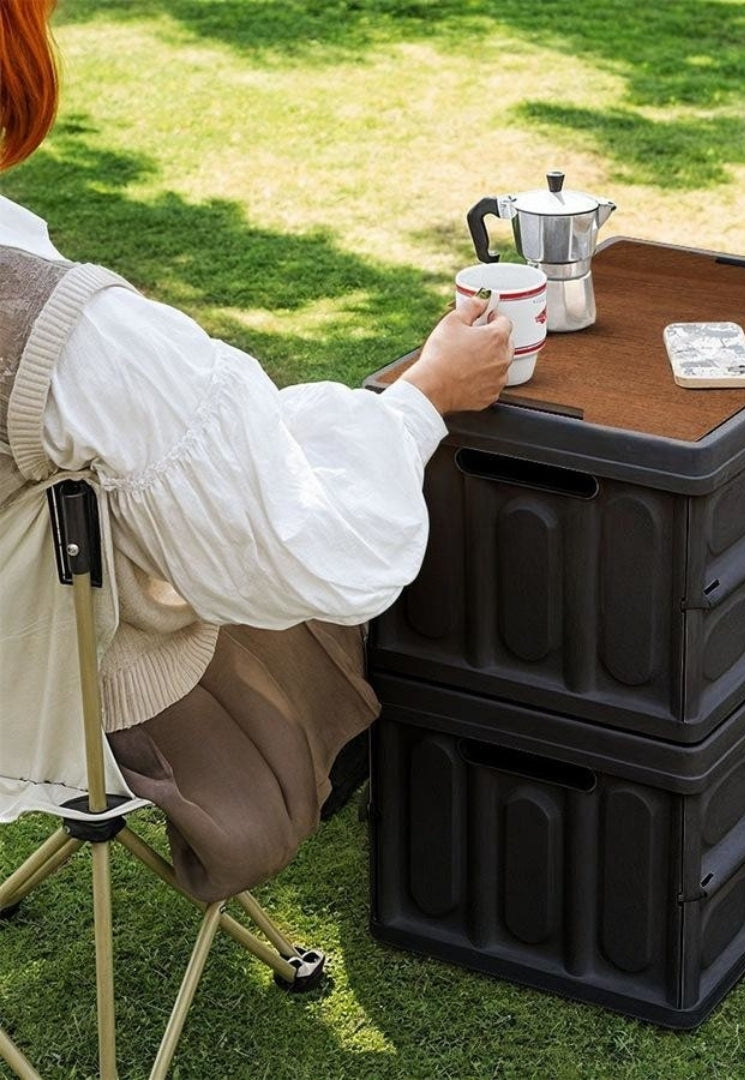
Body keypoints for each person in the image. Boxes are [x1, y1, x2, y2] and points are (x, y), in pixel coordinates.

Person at [0, 0, 513, 901]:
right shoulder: (62, 329)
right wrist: (420, 399)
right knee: (280, 586)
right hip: (41, 706)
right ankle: (282, 783)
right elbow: (301, 547)